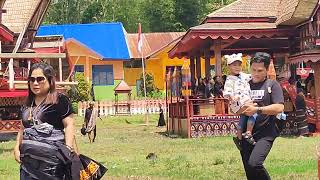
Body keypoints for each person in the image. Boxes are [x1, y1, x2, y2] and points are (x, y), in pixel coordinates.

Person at [14, 63, 78, 179]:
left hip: (53, 164)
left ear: (50, 80)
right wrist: (17, 148)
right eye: (32, 79)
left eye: (40, 79)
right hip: (28, 164)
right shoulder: (27, 104)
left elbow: (69, 124)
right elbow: (22, 128)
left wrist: (68, 149)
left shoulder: (60, 100)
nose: (35, 83)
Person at [240, 52, 284, 180]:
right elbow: (234, 108)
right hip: (246, 134)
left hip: (266, 133)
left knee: (254, 164)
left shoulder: (272, 85)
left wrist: (257, 109)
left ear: (266, 70)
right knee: (250, 172)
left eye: (260, 70)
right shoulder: (244, 85)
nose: (256, 73)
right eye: (253, 69)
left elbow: (279, 107)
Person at [223, 53, 257, 147]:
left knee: (243, 116)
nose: (237, 67)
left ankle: (239, 138)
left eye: (239, 65)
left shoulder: (243, 75)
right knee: (254, 111)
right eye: (234, 65)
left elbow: (252, 76)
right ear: (229, 66)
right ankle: (249, 132)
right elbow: (227, 91)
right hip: (238, 102)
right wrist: (232, 97)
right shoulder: (230, 79)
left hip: (244, 101)